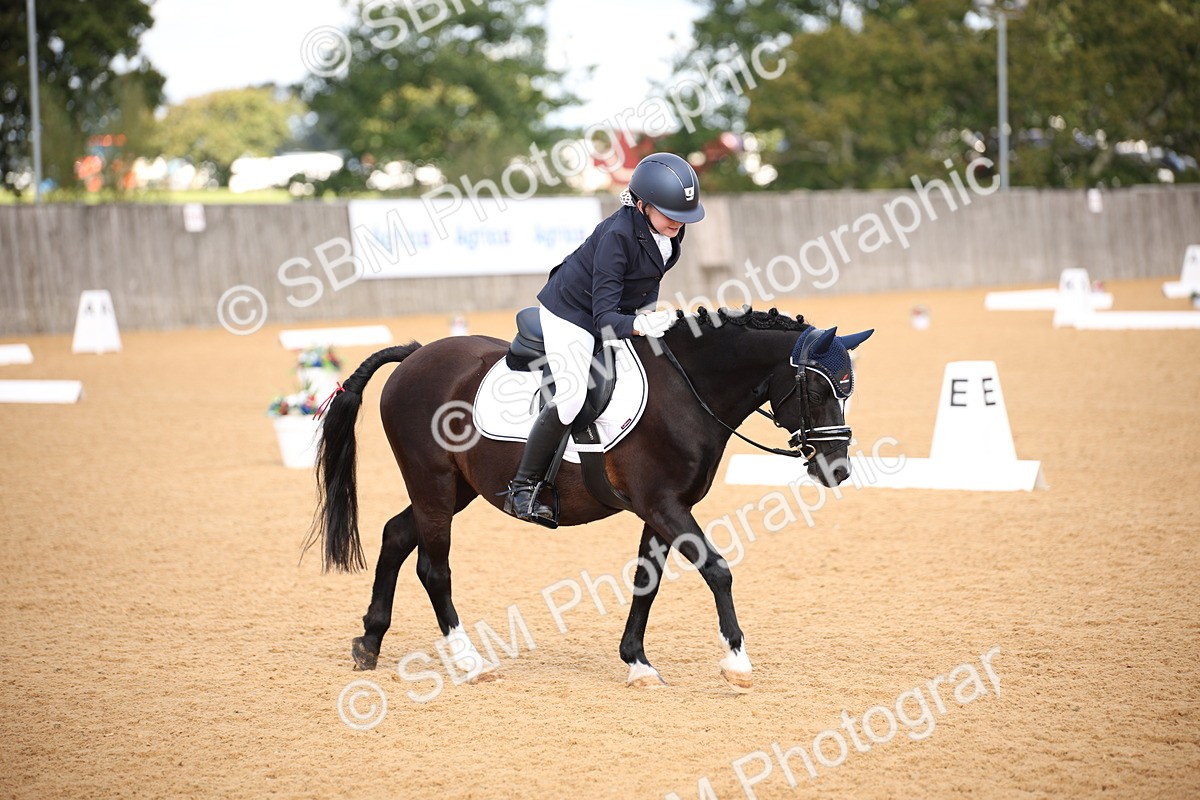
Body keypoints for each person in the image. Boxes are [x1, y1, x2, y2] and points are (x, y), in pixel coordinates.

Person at [503, 152, 705, 527]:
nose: (679, 222)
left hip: (614, 311)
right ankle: (523, 487)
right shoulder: (616, 236)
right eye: (671, 213)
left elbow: (646, 283)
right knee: (570, 399)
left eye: (684, 215)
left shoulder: (669, 231)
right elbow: (604, 319)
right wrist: (639, 326)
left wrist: (647, 314)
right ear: (642, 206)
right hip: (571, 314)